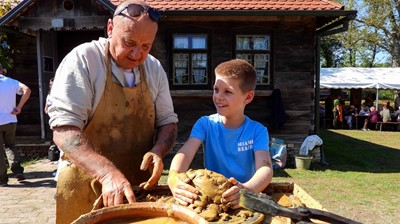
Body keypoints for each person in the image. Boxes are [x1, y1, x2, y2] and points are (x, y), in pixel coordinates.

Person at [47, 1, 178, 223]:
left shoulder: (154, 68)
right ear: (110, 29)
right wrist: (107, 174)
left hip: (138, 189)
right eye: (129, 43)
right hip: (84, 186)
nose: (137, 54)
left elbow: (169, 123)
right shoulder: (83, 60)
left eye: (146, 46)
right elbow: (64, 131)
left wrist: (158, 150)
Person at [167, 59, 273, 210]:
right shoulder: (205, 124)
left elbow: (265, 168)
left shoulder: (258, 131)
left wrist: (247, 189)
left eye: (227, 92)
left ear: (248, 97)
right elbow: (185, 152)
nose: (218, 97)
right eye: (216, 90)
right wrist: (173, 176)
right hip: (210, 201)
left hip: (242, 201)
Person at [0, 63, 31, 187]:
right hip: (11, 119)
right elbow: (27, 90)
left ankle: (2, 179)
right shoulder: (12, 82)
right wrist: (19, 107)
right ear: (2, 70)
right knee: (9, 145)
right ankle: (17, 171)